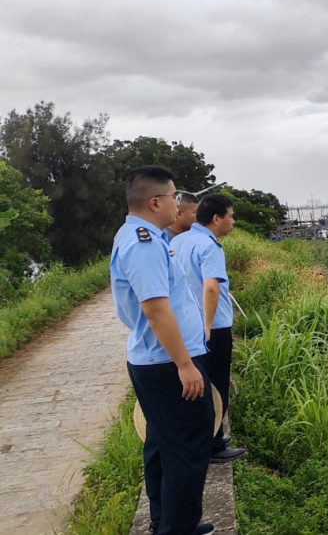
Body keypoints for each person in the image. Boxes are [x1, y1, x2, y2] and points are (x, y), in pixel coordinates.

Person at [110, 166, 214, 535]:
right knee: (189, 448)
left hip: (158, 359)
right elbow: (155, 309)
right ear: (156, 202)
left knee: (162, 444)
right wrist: (185, 365)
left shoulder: (140, 236)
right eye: (174, 197)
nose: (179, 203)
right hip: (167, 363)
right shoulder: (144, 242)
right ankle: (177, 528)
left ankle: (167, 524)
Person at [172, 193, 247, 464]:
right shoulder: (209, 246)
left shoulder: (177, 241)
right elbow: (211, 286)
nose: (233, 222)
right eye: (231, 216)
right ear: (216, 219)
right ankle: (213, 444)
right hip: (212, 326)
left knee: (198, 385)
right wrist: (208, 323)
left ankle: (205, 437)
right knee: (215, 384)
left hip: (184, 324)